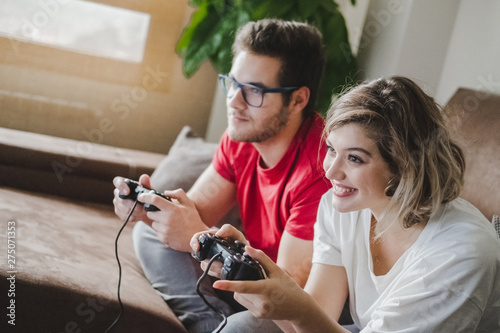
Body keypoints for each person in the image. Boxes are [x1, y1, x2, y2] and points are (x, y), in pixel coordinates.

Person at [192, 76, 500, 332]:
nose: (330, 171)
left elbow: (308, 317)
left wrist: (297, 310)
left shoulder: (459, 254)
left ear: (405, 166)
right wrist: (259, 276)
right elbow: (317, 316)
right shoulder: (342, 208)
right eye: (330, 149)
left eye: (354, 158)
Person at [113, 19, 332, 333]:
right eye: (232, 83)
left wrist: (195, 234)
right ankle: (210, 324)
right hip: (246, 278)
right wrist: (150, 209)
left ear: (298, 99)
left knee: (243, 328)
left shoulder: (321, 172)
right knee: (149, 233)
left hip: (292, 311)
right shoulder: (242, 137)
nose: (234, 101)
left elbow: (287, 296)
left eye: (254, 91)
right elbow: (196, 214)